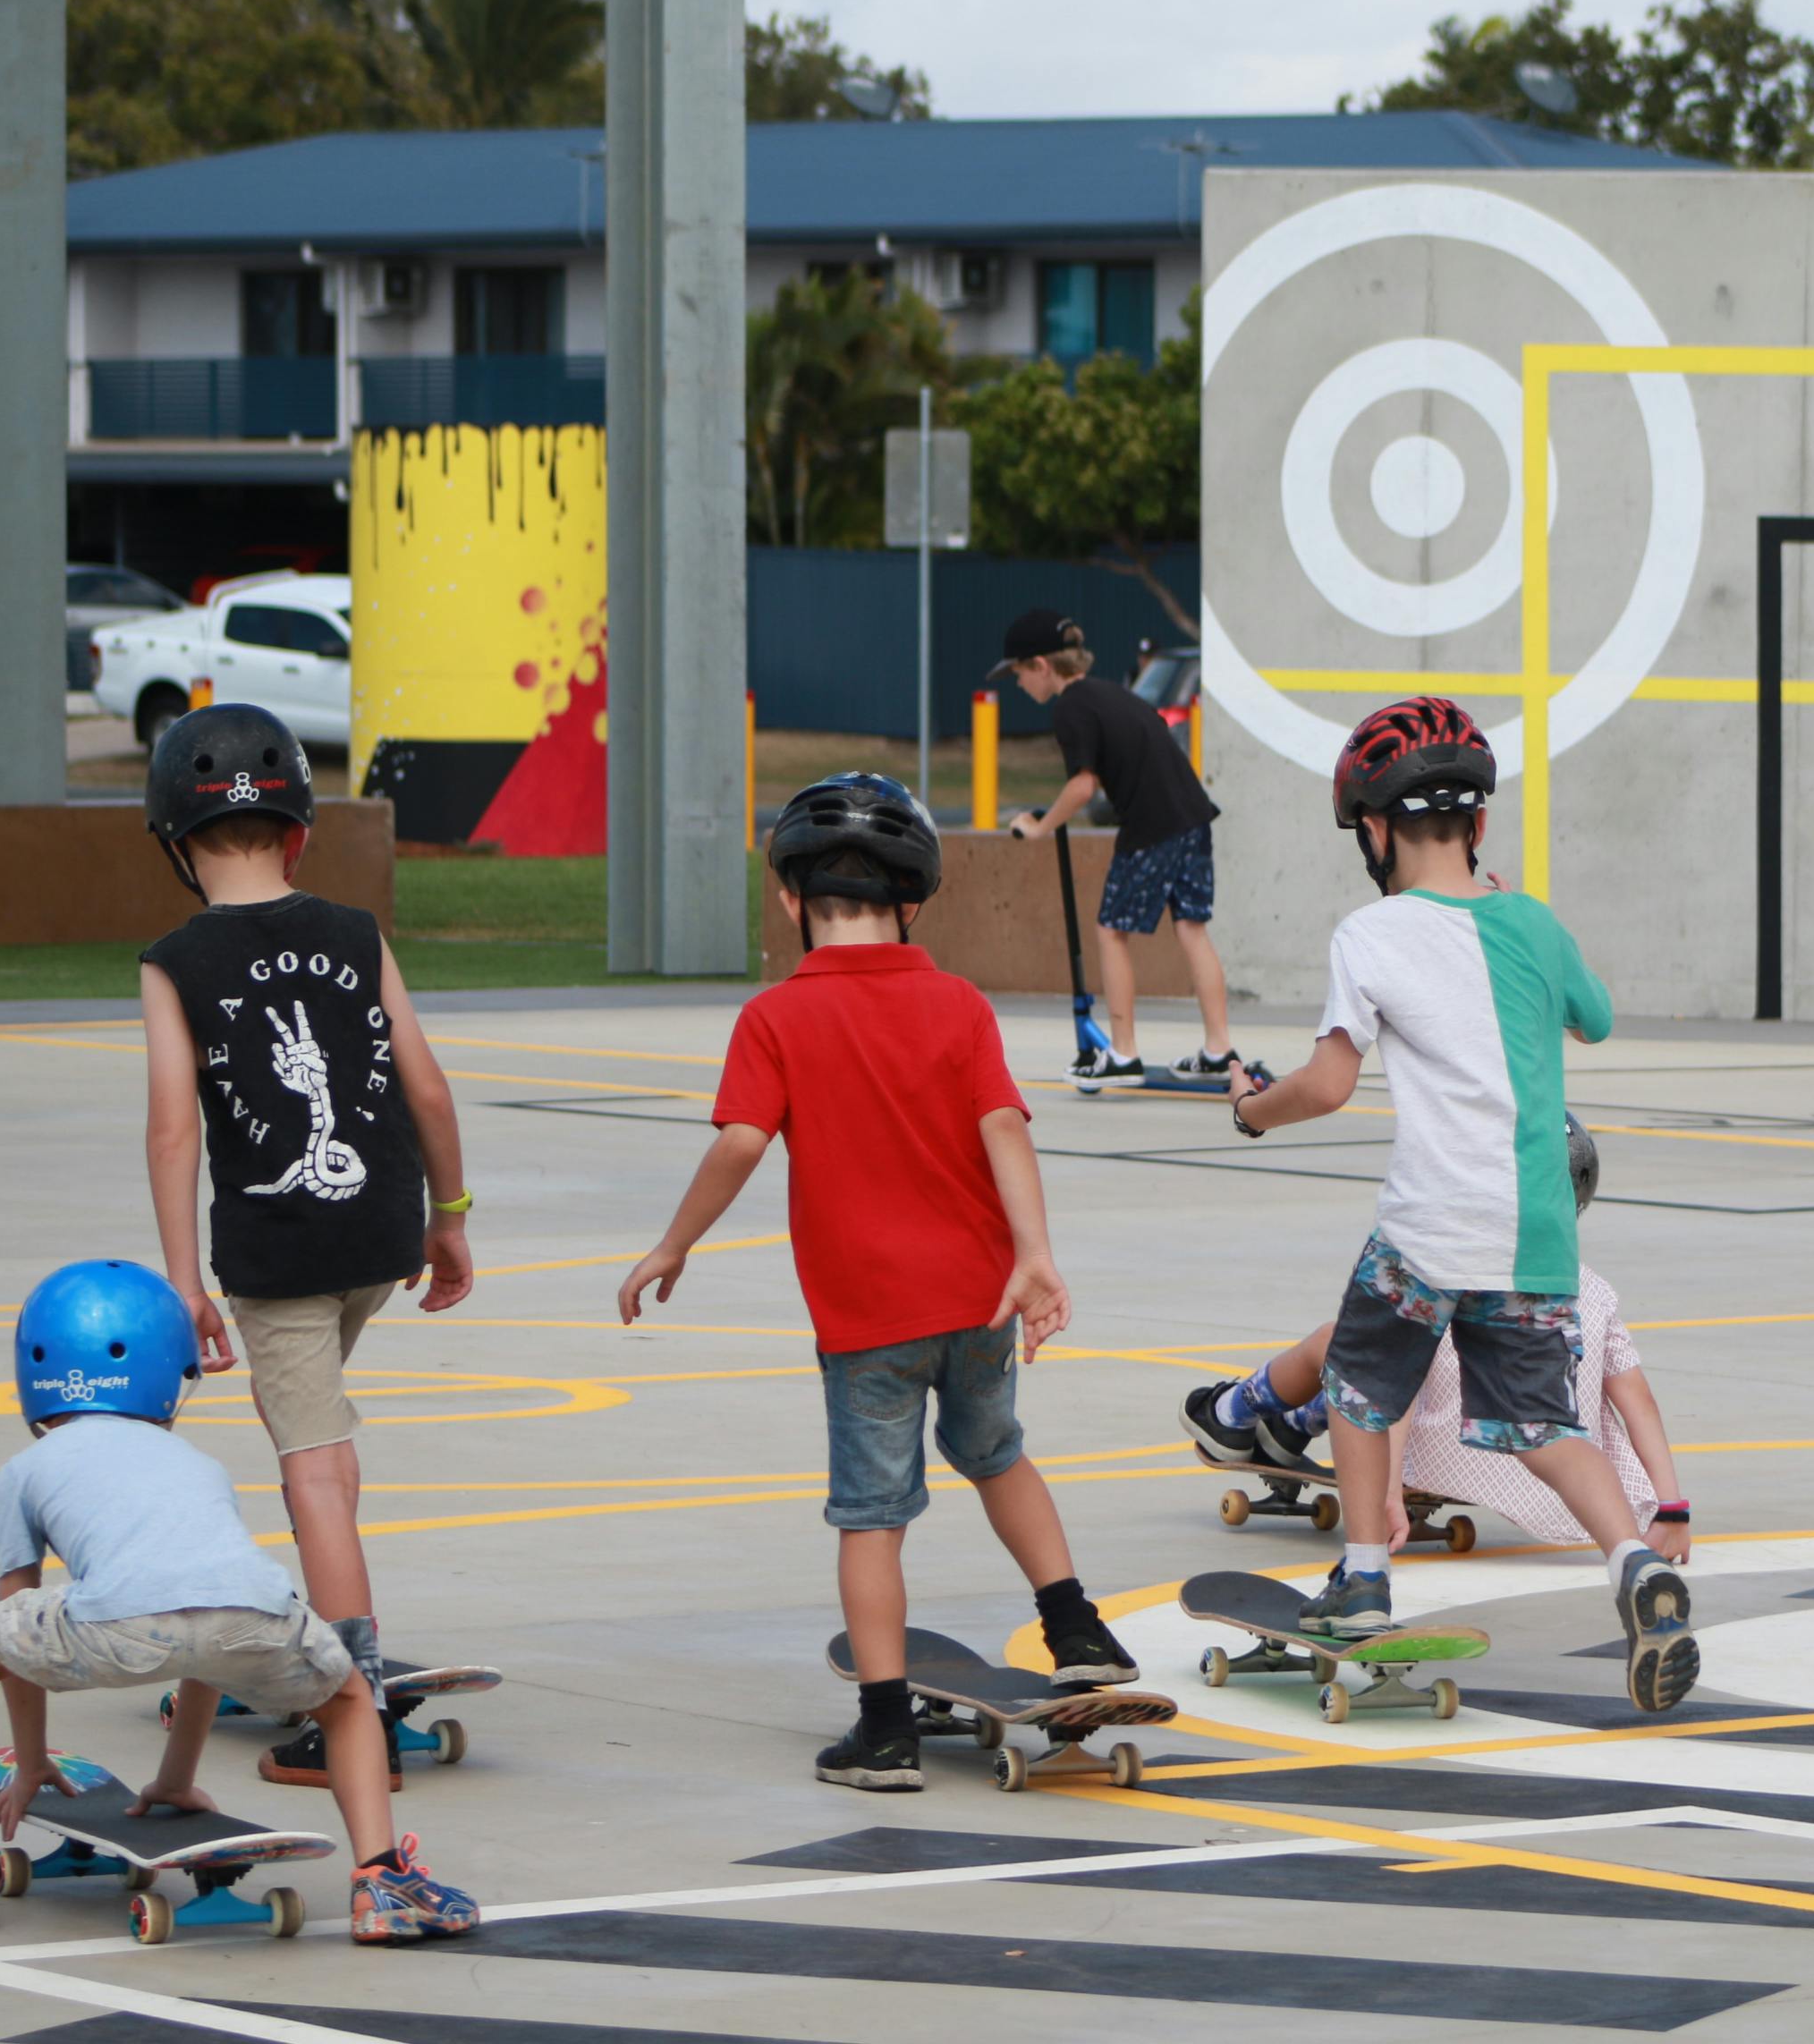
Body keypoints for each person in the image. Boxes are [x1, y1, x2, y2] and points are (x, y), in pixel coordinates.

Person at [619, 772, 1139, 1790]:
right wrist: (1035, 1253)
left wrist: (674, 1242)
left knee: (871, 1516)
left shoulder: (775, 1016)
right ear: (914, 900)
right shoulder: (956, 1002)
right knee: (997, 1455)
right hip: (979, 1295)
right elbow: (1003, 1128)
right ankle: (1077, 1629)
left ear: (788, 897)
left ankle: (885, 1728)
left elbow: (738, 1141)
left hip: (868, 1319)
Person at [1225, 697, 1698, 1713]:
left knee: (1359, 1381)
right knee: (1538, 1424)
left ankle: (1361, 1578)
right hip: (1536, 1229)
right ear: (1478, 824)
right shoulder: (1529, 918)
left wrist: (1253, 1113)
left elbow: (1329, 1082)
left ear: (1376, 829)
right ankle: (1631, 1563)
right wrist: (1521, 914)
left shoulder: (1372, 932)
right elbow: (1599, 1020)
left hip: (1429, 1227)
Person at [0, 1259, 477, 1941]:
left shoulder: (24, 1470)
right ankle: (381, 1879)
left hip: (117, 1627)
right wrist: (175, 1781)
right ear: (173, 1373)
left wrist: (31, 1763)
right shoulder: (200, 1464)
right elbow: (205, 1633)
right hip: (260, 1616)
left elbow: (10, 1638)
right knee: (350, 1698)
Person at [135, 703, 475, 1789]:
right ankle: (324, 1626)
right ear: (298, 833)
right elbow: (426, 1083)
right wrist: (451, 1212)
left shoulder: (174, 960)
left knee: (312, 1468)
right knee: (321, 1430)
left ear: (175, 842)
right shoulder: (357, 931)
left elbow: (173, 1125)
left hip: (279, 1255)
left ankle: (349, 1696)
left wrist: (185, 1282)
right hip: (380, 1233)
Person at [1183, 1118, 1694, 1559]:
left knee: (1341, 1342)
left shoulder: (1445, 1272)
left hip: (1434, 1454)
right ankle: (1293, 1426)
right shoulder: (1593, 1290)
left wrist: (1385, 1494)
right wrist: (1670, 1509)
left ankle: (1235, 1412)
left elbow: (1393, 1380)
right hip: (1563, 1488)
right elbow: (1639, 1402)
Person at [993, 608, 1236, 1082]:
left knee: (1110, 930)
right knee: (1191, 929)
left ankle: (1122, 1054)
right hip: (1192, 817)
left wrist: (1040, 828)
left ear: (1042, 665)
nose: (1020, 684)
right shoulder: (1114, 695)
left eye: (1019, 673)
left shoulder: (1072, 707)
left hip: (1153, 828)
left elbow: (1083, 787)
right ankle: (1219, 1049)